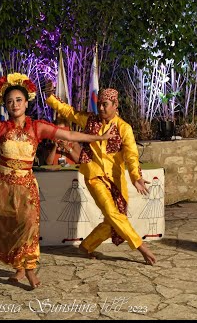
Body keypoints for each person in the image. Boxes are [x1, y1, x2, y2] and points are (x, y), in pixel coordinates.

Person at [0, 72, 116, 289]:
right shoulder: (0, 128)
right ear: (6, 106)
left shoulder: (38, 127)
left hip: (26, 186)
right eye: (10, 101)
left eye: (18, 100)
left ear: (26, 103)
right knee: (10, 229)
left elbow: (70, 136)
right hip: (2, 187)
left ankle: (29, 270)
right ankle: (19, 267)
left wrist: (99, 138)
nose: (14, 104)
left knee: (28, 227)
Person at [44, 84, 156, 265]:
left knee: (115, 219)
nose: (101, 108)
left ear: (115, 106)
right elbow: (69, 111)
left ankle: (86, 245)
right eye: (100, 104)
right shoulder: (90, 121)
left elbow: (132, 155)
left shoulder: (124, 128)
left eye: (105, 104)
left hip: (115, 178)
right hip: (94, 174)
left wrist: (136, 177)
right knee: (112, 213)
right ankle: (141, 247)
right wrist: (50, 97)